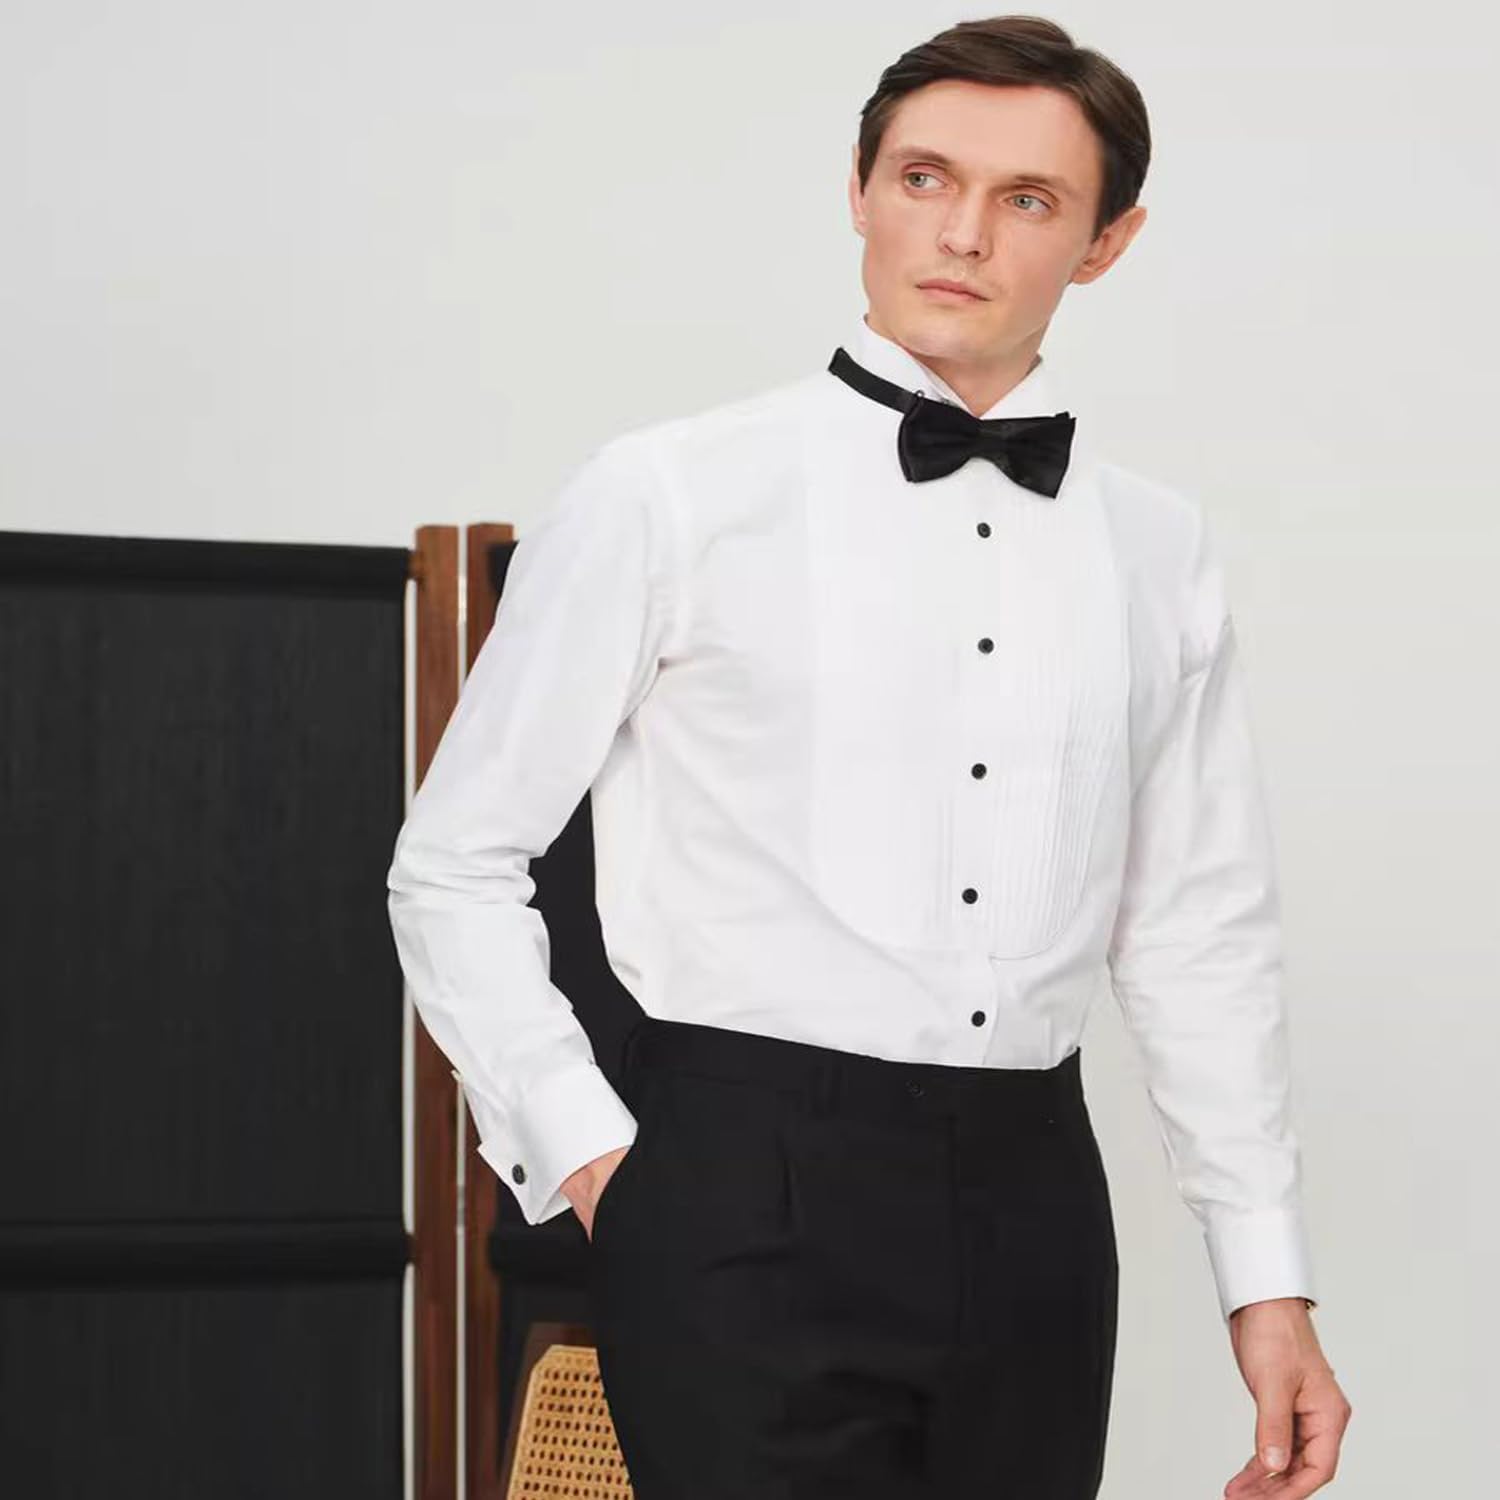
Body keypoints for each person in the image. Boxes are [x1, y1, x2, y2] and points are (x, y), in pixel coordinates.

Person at [385, 14, 1352, 1497]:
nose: (962, 233)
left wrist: (1265, 1282)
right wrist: (592, 1159)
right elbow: (454, 862)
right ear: (857, 188)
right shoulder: (670, 494)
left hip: (1036, 1200)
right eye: (923, 178)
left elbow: (1195, 931)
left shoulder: (1159, 548)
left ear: (1106, 243)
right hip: (735, 1192)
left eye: (1028, 198)